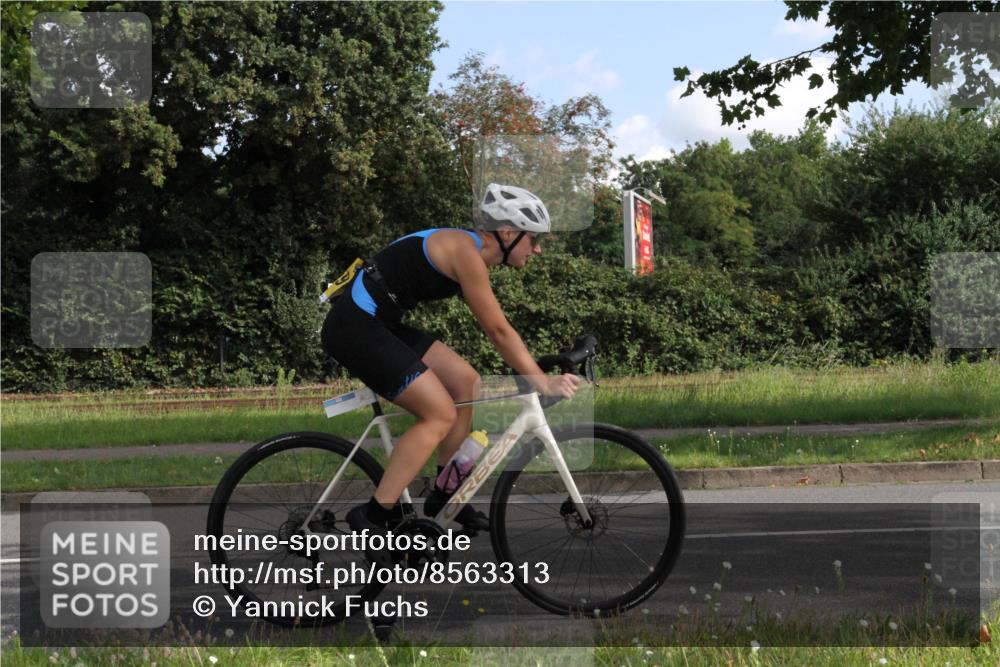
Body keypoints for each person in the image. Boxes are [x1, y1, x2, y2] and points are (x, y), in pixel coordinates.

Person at [320, 184, 580, 556]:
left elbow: (499, 330)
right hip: (356, 328)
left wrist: (534, 369)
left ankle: (444, 493)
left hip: (379, 323)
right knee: (439, 413)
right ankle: (374, 516)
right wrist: (540, 380)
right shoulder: (465, 252)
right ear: (508, 234)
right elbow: (497, 329)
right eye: (533, 240)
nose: (536, 249)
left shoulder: (468, 250)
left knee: (466, 382)